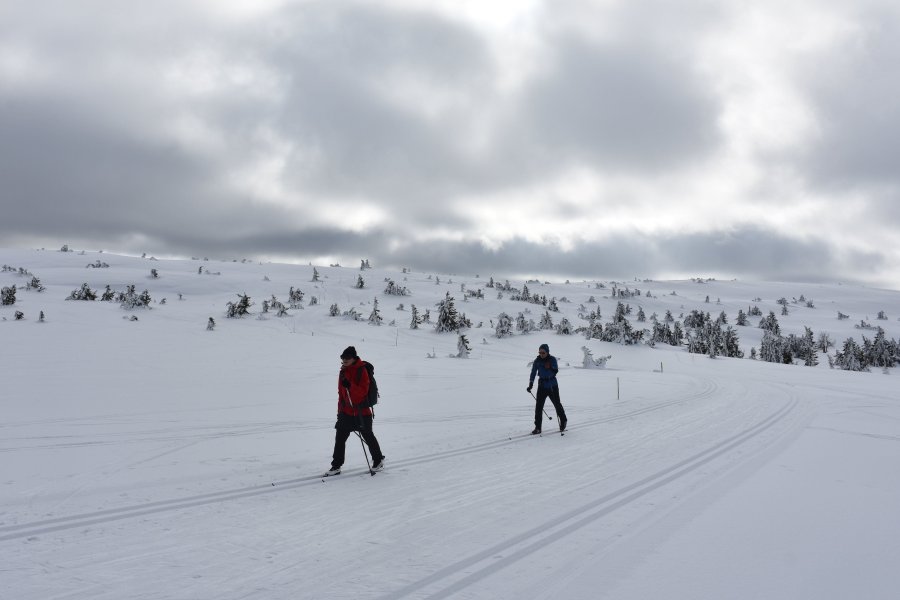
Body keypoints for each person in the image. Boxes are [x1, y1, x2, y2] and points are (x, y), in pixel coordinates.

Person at [323, 346, 385, 476]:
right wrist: (339, 411)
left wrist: (350, 385)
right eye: (342, 359)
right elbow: (341, 394)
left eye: (347, 359)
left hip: (361, 412)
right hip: (346, 412)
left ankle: (378, 460)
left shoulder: (361, 370)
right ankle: (336, 466)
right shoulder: (343, 371)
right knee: (340, 438)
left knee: (368, 436)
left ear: (353, 358)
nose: (344, 361)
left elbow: (361, 393)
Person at [527, 343, 568, 434]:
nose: (541, 354)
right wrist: (530, 384)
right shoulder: (537, 361)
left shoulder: (552, 359)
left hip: (552, 385)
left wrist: (550, 367)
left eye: (543, 352)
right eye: (540, 352)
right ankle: (538, 427)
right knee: (538, 407)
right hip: (542, 386)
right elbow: (533, 372)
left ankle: (563, 420)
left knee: (557, 404)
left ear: (547, 352)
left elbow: (556, 370)